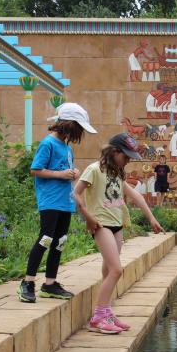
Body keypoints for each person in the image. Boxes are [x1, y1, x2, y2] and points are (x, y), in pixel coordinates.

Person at [75, 133, 163, 334]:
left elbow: (136, 196)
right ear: (114, 152)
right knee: (116, 270)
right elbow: (75, 193)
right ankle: (98, 317)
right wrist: (87, 217)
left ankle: (106, 311)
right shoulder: (94, 170)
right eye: (126, 157)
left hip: (116, 225)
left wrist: (151, 218)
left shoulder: (117, 174)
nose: (128, 161)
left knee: (108, 272)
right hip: (101, 224)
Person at [17, 103, 97, 303]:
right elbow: (36, 169)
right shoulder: (48, 144)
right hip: (50, 200)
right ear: (68, 125)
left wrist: (73, 173)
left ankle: (50, 284)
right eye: (78, 128)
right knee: (45, 238)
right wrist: (61, 174)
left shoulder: (67, 147)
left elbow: (64, 169)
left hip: (65, 201)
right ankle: (28, 282)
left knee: (60, 242)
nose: (79, 133)